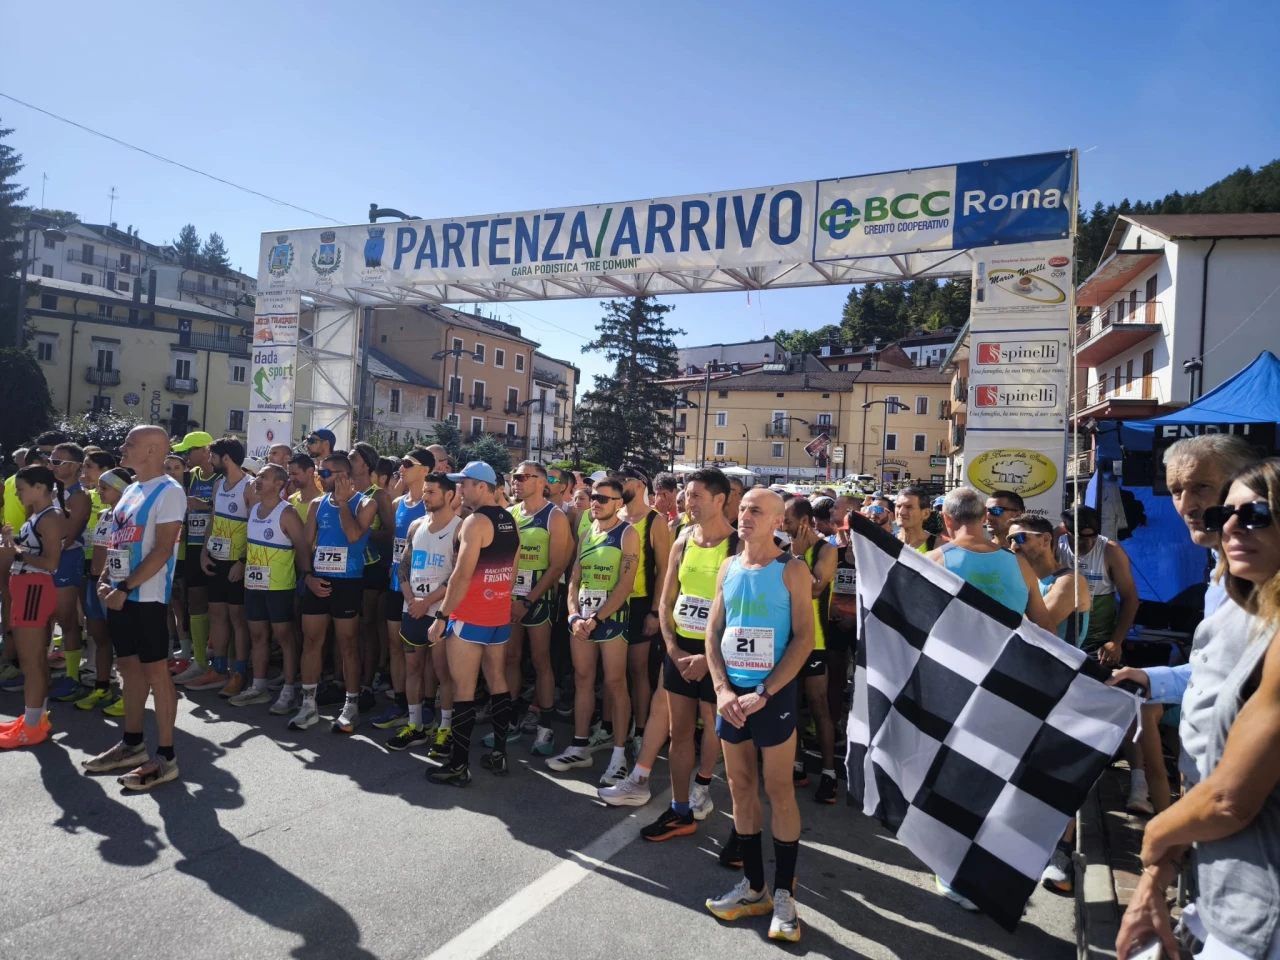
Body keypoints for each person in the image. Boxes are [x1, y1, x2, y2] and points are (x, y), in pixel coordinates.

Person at [1116, 459, 1280, 960]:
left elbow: (1229, 799)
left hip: (1260, 908)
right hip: (1221, 880)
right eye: (1224, 515)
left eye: (1255, 514)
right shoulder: (1242, 594)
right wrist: (1161, 871)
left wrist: (1156, 841)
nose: (1231, 526)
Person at [1109, 435, 1260, 816]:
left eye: (1201, 487)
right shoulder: (1220, 572)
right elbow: (1219, 671)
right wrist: (1149, 678)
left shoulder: (1262, 579)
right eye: (1176, 491)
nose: (1187, 505)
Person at [925, 487, 1055, 908]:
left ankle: (954, 870)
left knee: (954, 777)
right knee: (995, 777)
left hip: (953, 685)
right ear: (984, 517)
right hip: (1008, 685)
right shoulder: (1019, 563)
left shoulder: (936, 561)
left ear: (947, 521)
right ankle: (985, 867)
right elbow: (1045, 629)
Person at [703, 488, 814, 942]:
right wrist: (721, 688)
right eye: (743, 508)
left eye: (756, 510)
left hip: (773, 696)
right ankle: (754, 889)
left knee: (779, 790)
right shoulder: (728, 565)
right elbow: (714, 632)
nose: (745, 515)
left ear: (776, 522)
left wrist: (766, 692)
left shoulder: (792, 569)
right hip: (732, 697)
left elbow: (805, 638)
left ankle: (785, 896)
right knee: (740, 787)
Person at [78, 426, 186, 788]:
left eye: (130, 443)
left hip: (147, 597)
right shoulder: (131, 490)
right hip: (119, 593)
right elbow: (118, 542)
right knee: (128, 668)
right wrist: (106, 579)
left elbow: (163, 549)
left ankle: (166, 757)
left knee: (156, 673)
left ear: (153, 450)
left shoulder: (170, 491)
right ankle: (132, 744)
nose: (122, 447)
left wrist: (125, 586)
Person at [633, 469, 736, 839]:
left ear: (720, 500)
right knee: (679, 732)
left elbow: (741, 612)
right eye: (687, 495)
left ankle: (702, 786)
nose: (688, 503)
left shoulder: (738, 546)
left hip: (719, 653)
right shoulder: (683, 539)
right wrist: (674, 651)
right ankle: (679, 810)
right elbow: (666, 602)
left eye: (696, 496)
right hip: (681, 649)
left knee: (711, 721)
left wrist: (710, 659)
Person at [1007, 513, 1091, 893]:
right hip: (1029, 684)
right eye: (1010, 539)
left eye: (1021, 538)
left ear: (1046, 540)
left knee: (1059, 772)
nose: (1013, 545)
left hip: (1065, 689)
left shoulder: (1069, 581)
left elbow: (1041, 627)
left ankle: (1061, 854)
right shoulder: (1022, 578)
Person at [425, 461, 518, 786]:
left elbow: (462, 575)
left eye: (464, 484)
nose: (460, 490)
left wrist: (441, 616)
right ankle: (500, 754)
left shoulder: (474, 522)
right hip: (498, 615)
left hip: (470, 615)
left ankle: (458, 766)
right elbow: (512, 571)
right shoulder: (509, 519)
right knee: (497, 680)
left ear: (481, 486)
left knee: (462, 688)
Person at [546, 477, 639, 786]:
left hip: (610, 618)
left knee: (615, 684)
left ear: (619, 503)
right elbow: (574, 579)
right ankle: (579, 746)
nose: (596, 502)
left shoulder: (628, 534)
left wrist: (597, 619)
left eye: (603, 498)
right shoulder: (587, 532)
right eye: (594, 497)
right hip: (582, 617)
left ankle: (618, 756)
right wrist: (574, 615)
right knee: (583, 679)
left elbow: (625, 585)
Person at [1058, 504, 1146, 812]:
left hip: (1099, 643)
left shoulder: (1110, 551)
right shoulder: (1054, 542)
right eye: (1078, 538)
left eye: (1090, 537)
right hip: (1064, 641)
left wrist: (1116, 641)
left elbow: (1131, 599)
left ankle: (1139, 784)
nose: (1084, 544)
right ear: (1064, 530)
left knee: (1125, 708)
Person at [484, 461, 571, 756]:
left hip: (538, 595)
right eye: (514, 477)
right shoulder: (510, 514)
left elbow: (557, 565)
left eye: (522, 477)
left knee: (540, 660)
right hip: (510, 595)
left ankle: (545, 727)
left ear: (541, 482)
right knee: (510, 658)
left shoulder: (554, 516)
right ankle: (509, 722)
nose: (516, 482)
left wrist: (529, 600)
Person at [293, 454, 376, 732]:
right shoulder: (317, 504)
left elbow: (353, 536)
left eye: (326, 473)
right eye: (320, 471)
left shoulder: (365, 503)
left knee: (347, 644)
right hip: (318, 580)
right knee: (311, 641)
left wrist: (342, 503)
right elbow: (305, 544)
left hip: (348, 581)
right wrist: (308, 576)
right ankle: (308, 704)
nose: (320, 476)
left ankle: (351, 706)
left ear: (344, 476)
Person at [389, 469, 460, 753]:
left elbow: (457, 576)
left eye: (431, 492)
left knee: (443, 672)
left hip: (440, 611)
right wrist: (411, 599)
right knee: (413, 667)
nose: (425, 497)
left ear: (449, 495)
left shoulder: (460, 528)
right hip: (412, 609)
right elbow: (403, 566)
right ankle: (415, 725)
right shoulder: (416, 525)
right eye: (424, 492)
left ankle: (446, 729)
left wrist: (427, 601)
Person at [230, 464, 307, 712]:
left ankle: (289, 690)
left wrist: (306, 577)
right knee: (257, 635)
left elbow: (302, 548)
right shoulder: (253, 509)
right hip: (253, 584)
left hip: (280, 586)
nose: (257, 480)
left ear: (279, 484)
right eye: (258, 476)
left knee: (284, 636)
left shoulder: (287, 513)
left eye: (264, 476)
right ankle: (259, 687)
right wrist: (242, 562)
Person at [0, 466, 65, 747]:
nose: (16, 493)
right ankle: (34, 719)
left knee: (31, 661)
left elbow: (51, 563)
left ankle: (32, 725)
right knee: (32, 660)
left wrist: (16, 552)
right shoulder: (39, 514)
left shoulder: (50, 517)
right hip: (27, 589)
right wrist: (11, 542)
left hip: (34, 590)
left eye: (21, 488)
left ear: (39, 487)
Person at [372, 447, 434, 730]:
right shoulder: (398, 503)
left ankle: (428, 707)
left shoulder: (434, 504)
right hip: (397, 586)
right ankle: (400, 704)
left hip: (424, 591)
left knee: (426, 652)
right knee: (396, 646)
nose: (402, 467)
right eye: (402, 463)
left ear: (426, 470)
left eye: (409, 463)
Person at [187, 437, 255, 696]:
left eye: (213, 456)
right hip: (216, 557)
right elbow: (214, 519)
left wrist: (243, 561)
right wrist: (204, 552)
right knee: (217, 613)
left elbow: (256, 526)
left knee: (238, 617)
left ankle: (239, 672)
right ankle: (218, 669)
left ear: (226, 458)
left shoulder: (250, 486)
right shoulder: (219, 485)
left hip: (237, 562)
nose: (210, 460)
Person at [783, 496, 838, 803]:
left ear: (804, 522)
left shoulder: (826, 550)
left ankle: (829, 773)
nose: (783, 526)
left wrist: (798, 557)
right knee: (791, 705)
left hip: (816, 642)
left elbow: (814, 588)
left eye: (788, 521)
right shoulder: (784, 548)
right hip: (787, 641)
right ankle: (796, 764)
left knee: (819, 706)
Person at [615, 464, 672, 759]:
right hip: (610, 602)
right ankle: (613, 727)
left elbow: (664, 570)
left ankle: (640, 730)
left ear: (638, 485)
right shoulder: (614, 515)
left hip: (640, 604)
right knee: (613, 672)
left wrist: (654, 612)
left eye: (621, 481)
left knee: (637, 670)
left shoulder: (655, 521)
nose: (616, 485)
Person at [74, 468, 132, 712]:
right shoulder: (104, 514)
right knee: (99, 637)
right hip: (94, 581)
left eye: (104, 488)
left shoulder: (129, 515)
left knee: (123, 642)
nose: (99, 492)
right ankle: (102, 687)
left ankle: (130, 695)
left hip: (115, 582)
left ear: (120, 489)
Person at [352, 441, 395, 715]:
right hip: (347, 566)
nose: (348, 461)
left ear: (365, 464)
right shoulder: (345, 492)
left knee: (367, 625)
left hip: (372, 566)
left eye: (352, 458)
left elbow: (390, 534)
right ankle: (348, 680)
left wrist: (361, 531)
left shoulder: (378, 495)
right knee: (350, 627)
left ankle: (368, 683)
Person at [171, 431, 218, 685]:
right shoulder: (192, 476)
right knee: (194, 601)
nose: (185, 456)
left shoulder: (222, 476)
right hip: (192, 546)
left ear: (204, 450)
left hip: (218, 548)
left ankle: (221, 661)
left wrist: (205, 505)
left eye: (188, 451)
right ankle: (198, 660)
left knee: (221, 607)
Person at [46, 444, 92, 702]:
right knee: (44, 618)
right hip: (45, 558)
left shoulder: (80, 495)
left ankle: (72, 676)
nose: (50, 465)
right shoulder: (52, 489)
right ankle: (39, 670)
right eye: (50, 460)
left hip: (66, 558)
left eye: (57, 461)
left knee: (67, 618)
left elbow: (68, 536)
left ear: (75, 466)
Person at [895, 484, 944, 553]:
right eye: (898, 506)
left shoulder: (938, 547)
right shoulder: (886, 542)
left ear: (926, 513)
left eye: (909, 507)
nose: (901, 512)